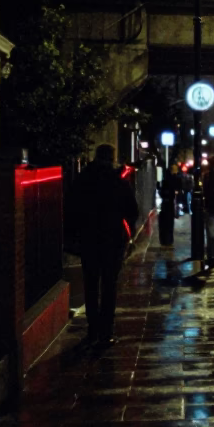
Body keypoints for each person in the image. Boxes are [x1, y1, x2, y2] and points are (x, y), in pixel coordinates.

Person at [73, 144, 139, 346]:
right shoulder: (118, 181)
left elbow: (72, 206)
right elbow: (132, 210)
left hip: (89, 239)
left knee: (91, 285)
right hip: (112, 240)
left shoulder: (83, 179)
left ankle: (92, 330)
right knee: (109, 286)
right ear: (112, 158)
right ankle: (106, 332)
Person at [158, 163, 181, 246]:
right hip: (170, 204)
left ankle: (165, 240)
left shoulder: (166, 181)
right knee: (169, 223)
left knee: (165, 223)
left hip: (166, 204)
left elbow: (162, 192)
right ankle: (169, 240)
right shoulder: (174, 179)